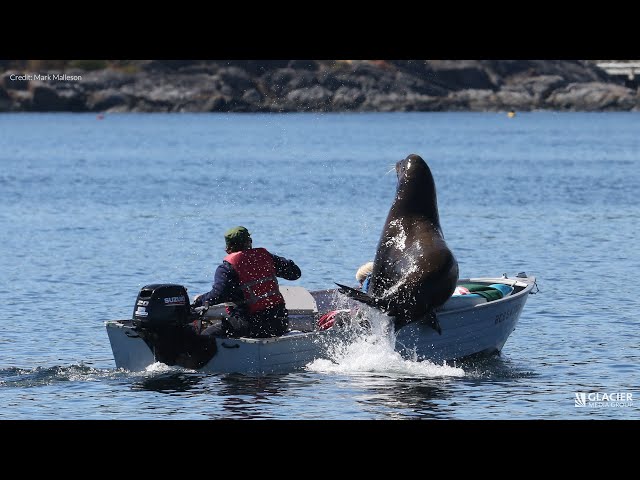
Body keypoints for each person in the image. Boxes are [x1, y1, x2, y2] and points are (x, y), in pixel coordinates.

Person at [192, 226, 301, 338]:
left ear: (228, 248)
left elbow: (218, 295)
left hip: (250, 325)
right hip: (279, 323)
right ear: (250, 242)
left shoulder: (227, 268)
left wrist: (199, 301)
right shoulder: (266, 257)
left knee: (205, 336)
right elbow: (295, 273)